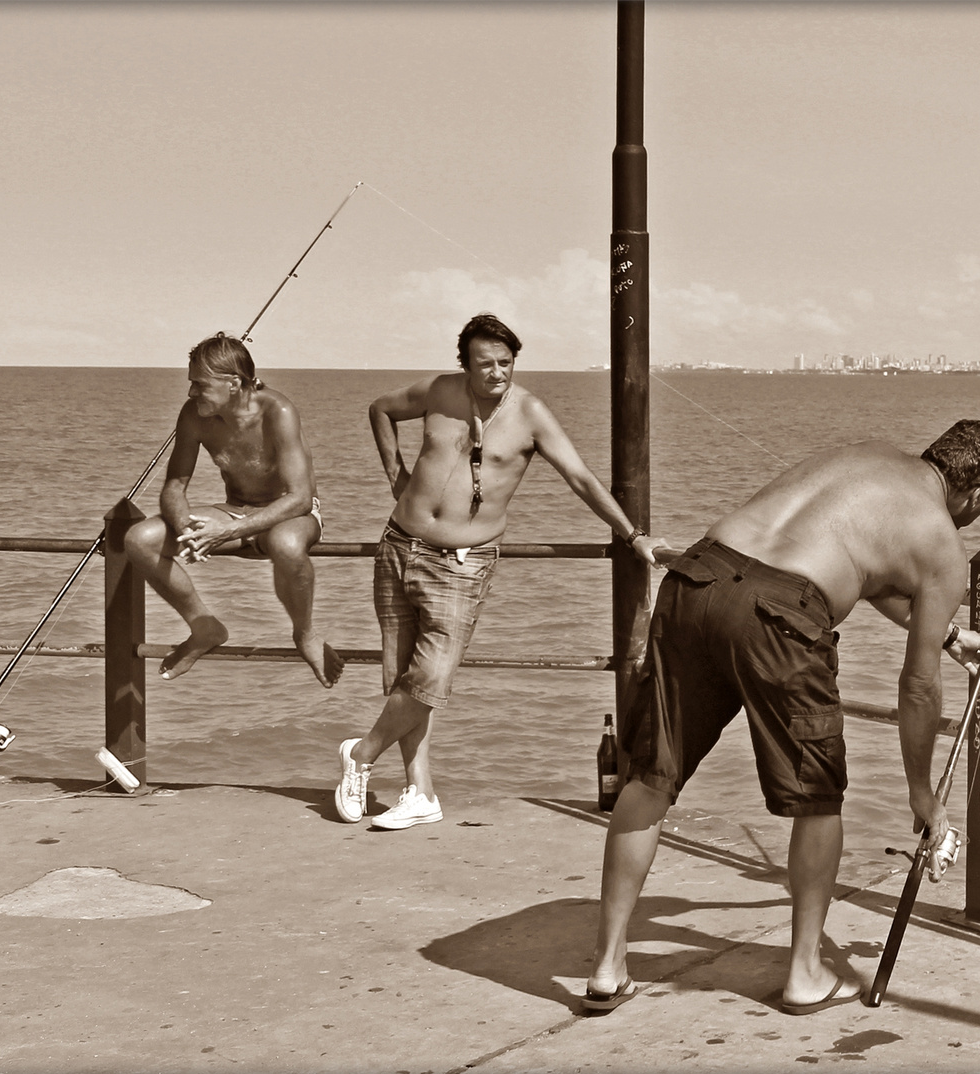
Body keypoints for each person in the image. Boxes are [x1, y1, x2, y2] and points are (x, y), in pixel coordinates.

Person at [583, 419, 980, 1015]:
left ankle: (607, 968)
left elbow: (856, 567)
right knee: (818, 800)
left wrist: (946, 635)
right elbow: (917, 689)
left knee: (651, 778)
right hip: (779, 618)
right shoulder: (942, 541)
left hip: (696, 578)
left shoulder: (866, 451)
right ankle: (805, 974)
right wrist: (924, 796)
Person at [334, 313, 666, 830]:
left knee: (429, 679)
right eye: (485, 363)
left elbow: (580, 478)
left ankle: (360, 754)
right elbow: (379, 409)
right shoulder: (439, 391)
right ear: (464, 364)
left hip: (461, 565)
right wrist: (395, 474)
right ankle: (419, 793)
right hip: (398, 546)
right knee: (401, 677)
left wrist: (634, 535)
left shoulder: (531, 413)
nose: (497, 373)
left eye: (506, 363)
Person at [125, 332, 345, 688]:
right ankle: (203, 626)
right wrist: (188, 531)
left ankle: (304, 633)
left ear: (233, 383)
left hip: (290, 515)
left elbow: (300, 498)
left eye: (199, 384)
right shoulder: (194, 415)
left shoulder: (279, 411)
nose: (191, 393)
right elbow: (174, 487)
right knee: (139, 539)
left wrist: (226, 532)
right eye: (191, 384)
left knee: (286, 544)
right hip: (236, 511)